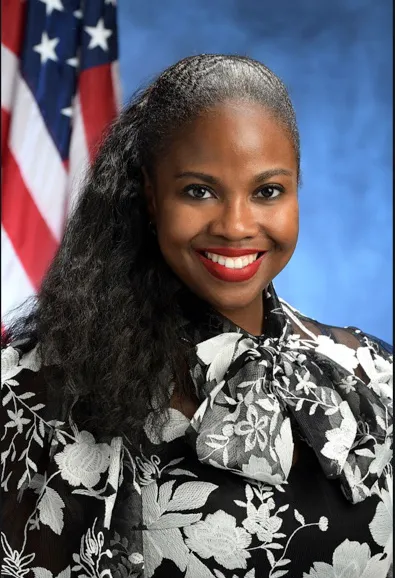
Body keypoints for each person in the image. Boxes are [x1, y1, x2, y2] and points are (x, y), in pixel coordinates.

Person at [1, 54, 392, 578]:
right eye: (198, 191)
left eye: (267, 191)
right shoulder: (31, 390)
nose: (235, 225)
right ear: (150, 196)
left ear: (298, 188)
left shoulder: (375, 377)